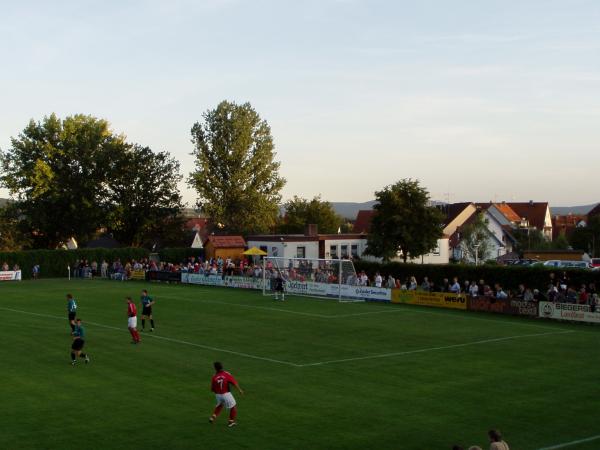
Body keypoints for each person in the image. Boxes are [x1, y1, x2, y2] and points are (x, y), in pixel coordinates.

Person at [209, 361, 244, 427]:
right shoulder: (226, 374)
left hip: (218, 395)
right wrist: (240, 390)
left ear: (215, 368)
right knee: (233, 407)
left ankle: (213, 417)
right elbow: (234, 383)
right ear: (222, 367)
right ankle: (231, 422)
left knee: (220, 405)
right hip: (226, 394)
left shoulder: (214, 376)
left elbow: (212, 389)